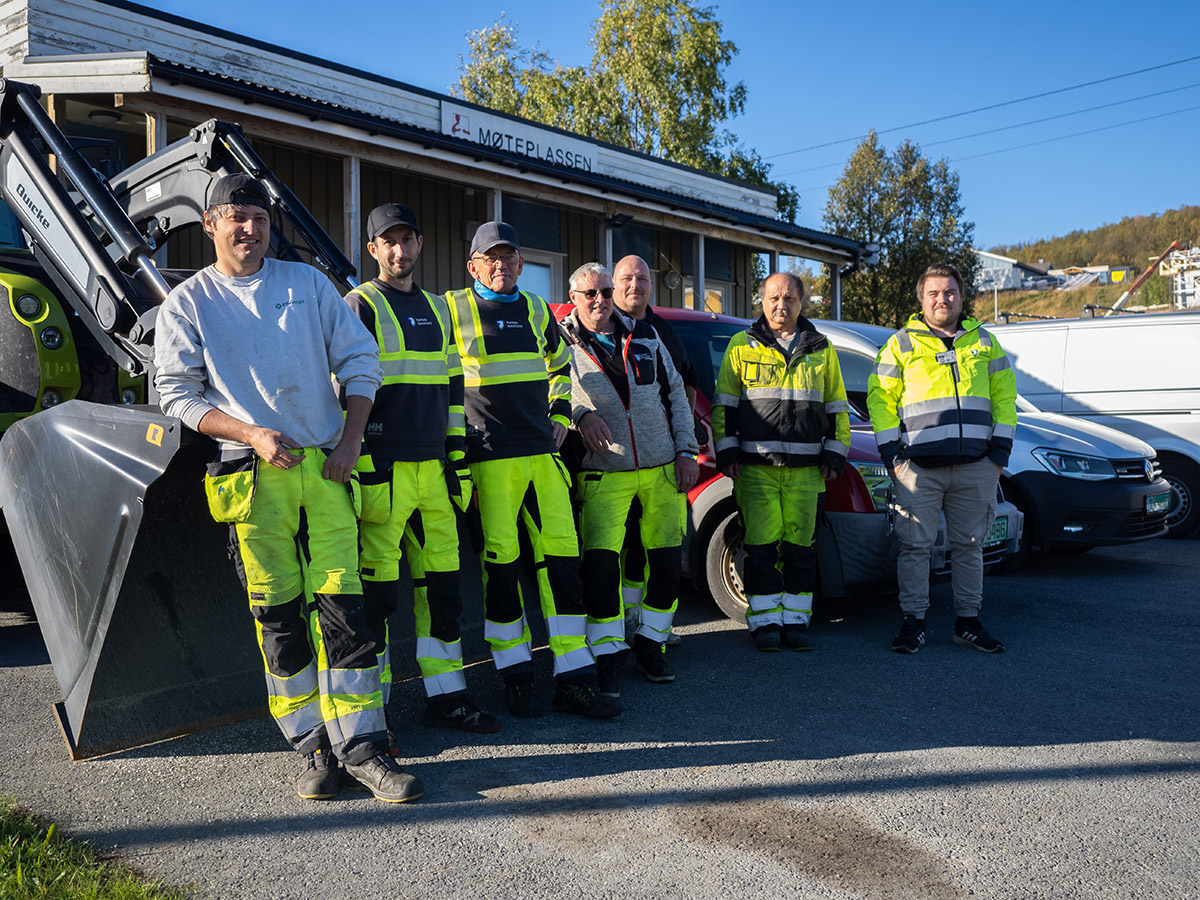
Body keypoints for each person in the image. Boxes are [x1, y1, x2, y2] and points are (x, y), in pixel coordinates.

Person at [154, 174, 421, 803]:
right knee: (277, 618)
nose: (249, 229)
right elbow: (178, 396)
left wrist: (352, 440)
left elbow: (360, 360)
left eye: (259, 219)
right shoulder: (187, 304)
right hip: (251, 478)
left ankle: (365, 749)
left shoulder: (306, 285)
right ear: (210, 225)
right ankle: (312, 750)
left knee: (346, 611)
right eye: (236, 218)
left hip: (327, 470)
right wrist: (251, 433)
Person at [444, 221, 618, 718]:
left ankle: (574, 678)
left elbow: (562, 366)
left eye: (510, 257)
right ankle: (517, 678)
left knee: (564, 564)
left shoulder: (538, 309)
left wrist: (562, 415)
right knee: (501, 571)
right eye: (491, 258)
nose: (502, 265)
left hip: (542, 456)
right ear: (473, 265)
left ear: (522, 263)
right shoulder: (451, 308)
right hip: (490, 460)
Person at [344, 203, 500, 737]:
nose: (399, 250)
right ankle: (374, 710)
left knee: (444, 596)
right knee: (378, 601)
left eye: (407, 239)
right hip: (383, 472)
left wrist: (456, 460)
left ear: (420, 244)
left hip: (435, 472)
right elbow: (342, 394)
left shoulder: (437, 308)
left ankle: (447, 698)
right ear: (373, 250)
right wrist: (362, 463)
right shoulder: (358, 304)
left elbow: (455, 393)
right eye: (388, 241)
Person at [560, 262, 698, 700]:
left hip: (660, 469)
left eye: (604, 290)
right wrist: (582, 414)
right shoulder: (558, 341)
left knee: (665, 565)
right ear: (575, 298)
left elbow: (676, 394)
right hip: (605, 472)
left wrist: (686, 451)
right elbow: (552, 387)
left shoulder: (646, 334)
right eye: (589, 294)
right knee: (600, 571)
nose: (599, 300)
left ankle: (652, 644)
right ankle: (606, 656)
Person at [867, 262, 1016, 654]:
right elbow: (880, 399)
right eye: (933, 293)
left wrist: (998, 455)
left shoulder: (984, 342)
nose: (942, 299)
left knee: (970, 547)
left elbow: (1004, 399)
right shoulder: (901, 343)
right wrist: (892, 455)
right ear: (921, 299)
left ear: (961, 297)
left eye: (949, 292)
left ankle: (967, 622)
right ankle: (913, 622)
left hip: (976, 466)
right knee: (915, 547)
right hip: (918, 469)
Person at [711, 272, 850, 651]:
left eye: (788, 298)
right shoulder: (741, 346)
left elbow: (838, 407)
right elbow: (723, 405)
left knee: (800, 549)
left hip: (807, 471)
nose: (780, 305)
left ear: (801, 302)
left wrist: (836, 454)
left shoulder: (823, 349)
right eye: (773, 298)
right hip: (757, 469)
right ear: (762, 300)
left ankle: (796, 622)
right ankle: (765, 624)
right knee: (760, 548)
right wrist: (727, 454)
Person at [610, 254, 701, 644]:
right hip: (613, 463)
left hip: (660, 462)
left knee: (656, 550)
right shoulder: (599, 324)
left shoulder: (662, 329)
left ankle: (649, 629)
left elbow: (688, 387)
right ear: (614, 285)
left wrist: (684, 446)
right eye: (627, 278)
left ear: (652, 284)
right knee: (617, 550)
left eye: (642, 278)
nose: (635, 285)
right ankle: (622, 623)